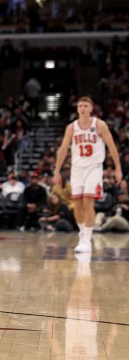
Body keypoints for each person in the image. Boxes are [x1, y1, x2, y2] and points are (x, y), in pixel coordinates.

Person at [53, 96, 122, 253]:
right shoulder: (71, 127)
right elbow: (63, 149)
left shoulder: (99, 125)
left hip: (94, 168)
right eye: (80, 106)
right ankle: (83, 232)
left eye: (85, 105)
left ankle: (86, 239)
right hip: (76, 169)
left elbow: (112, 147)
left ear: (91, 108)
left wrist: (118, 169)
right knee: (76, 204)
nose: (82, 108)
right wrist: (57, 171)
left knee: (87, 202)